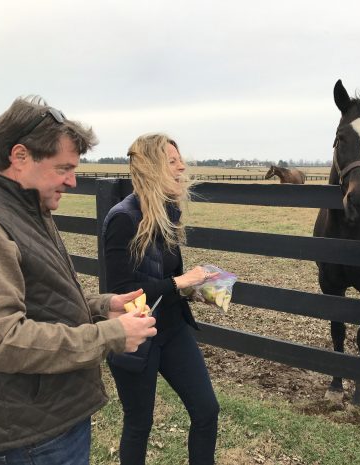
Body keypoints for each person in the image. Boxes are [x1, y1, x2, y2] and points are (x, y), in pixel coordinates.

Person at [0, 96, 157, 465]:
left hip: (49, 417)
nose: (73, 180)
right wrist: (111, 335)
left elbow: (37, 296)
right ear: (19, 157)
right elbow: (1, 341)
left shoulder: (26, 205)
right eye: (63, 167)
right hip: (27, 436)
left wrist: (101, 306)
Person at [102, 133, 220, 465]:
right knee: (139, 424)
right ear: (152, 168)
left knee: (207, 410)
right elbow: (122, 291)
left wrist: (193, 290)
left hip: (172, 330)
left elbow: (162, 279)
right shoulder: (122, 220)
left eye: (179, 159)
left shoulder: (167, 214)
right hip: (134, 336)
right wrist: (180, 280)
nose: (182, 166)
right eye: (172, 160)